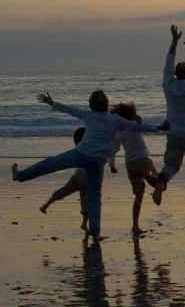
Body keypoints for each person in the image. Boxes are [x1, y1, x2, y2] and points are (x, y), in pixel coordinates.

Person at [12, 91, 163, 240]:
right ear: (106, 104)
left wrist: (52, 103)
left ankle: (21, 175)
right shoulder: (114, 119)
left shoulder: (89, 115)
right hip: (97, 161)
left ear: (91, 106)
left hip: (81, 154)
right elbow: (136, 127)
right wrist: (158, 128)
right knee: (94, 197)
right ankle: (95, 233)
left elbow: (71, 110)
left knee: (51, 163)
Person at [153, 27, 185, 205]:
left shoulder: (169, 85)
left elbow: (168, 64)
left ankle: (161, 182)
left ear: (175, 74)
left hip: (173, 132)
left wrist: (175, 40)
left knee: (171, 166)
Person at [110, 103, 160, 233]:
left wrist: (112, 164)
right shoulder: (133, 124)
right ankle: (157, 190)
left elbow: (114, 149)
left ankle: (135, 225)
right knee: (157, 179)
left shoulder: (118, 130)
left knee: (139, 195)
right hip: (142, 159)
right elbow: (142, 123)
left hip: (130, 165)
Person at [38, 128, 97, 232]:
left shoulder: (79, 148)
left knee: (64, 190)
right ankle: (84, 224)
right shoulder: (91, 147)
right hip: (86, 177)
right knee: (88, 201)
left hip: (77, 173)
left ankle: (46, 205)